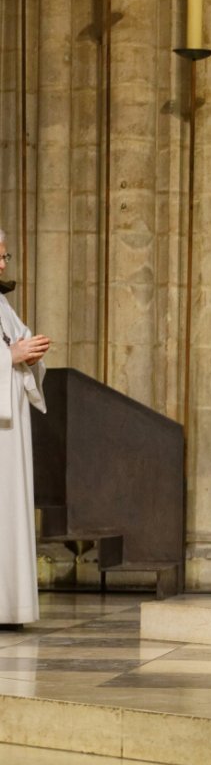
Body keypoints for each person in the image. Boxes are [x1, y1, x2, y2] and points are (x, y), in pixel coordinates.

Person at [0, 229, 50, 631]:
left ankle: (9, 607)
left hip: (10, 429)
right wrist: (10, 356)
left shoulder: (2, 305)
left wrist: (30, 355)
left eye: (6, 256)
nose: (3, 264)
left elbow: (19, 347)